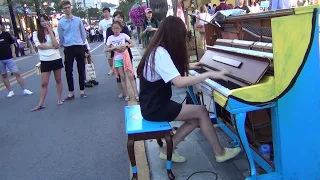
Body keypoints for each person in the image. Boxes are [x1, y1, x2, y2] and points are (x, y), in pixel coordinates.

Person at [136, 16, 241, 163]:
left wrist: (193, 66)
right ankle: (220, 152)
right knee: (201, 112)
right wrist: (208, 74)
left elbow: (167, 70)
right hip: (155, 108)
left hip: (152, 104)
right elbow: (179, 82)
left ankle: (168, 150)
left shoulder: (156, 50)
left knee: (195, 118)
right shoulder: (160, 53)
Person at [31, 14, 64, 111]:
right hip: (45, 60)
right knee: (44, 83)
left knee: (58, 79)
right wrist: (51, 47)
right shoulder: (36, 33)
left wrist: (50, 31)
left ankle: (59, 99)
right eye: (42, 21)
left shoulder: (54, 31)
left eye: (46, 20)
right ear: (39, 23)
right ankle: (41, 103)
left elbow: (57, 45)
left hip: (56, 58)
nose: (45, 23)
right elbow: (39, 46)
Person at [58, 0, 87, 100]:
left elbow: (83, 33)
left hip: (79, 46)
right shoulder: (61, 22)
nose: (67, 9)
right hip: (68, 47)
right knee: (68, 70)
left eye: (68, 7)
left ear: (71, 7)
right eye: (65, 8)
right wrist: (63, 45)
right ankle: (71, 92)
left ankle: (82, 90)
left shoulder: (78, 20)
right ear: (63, 9)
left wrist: (84, 45)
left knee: (81, 69)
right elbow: (61, 37)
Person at [105, 21, 139, 101]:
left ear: (121, 29)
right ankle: (126, 94)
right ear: (112, 29)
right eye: (114, 28)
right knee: (122, 77)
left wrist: (125, 45)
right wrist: (114, 48)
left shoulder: (123, 35)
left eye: (117, 28)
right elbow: (106, 49)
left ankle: (136, 94)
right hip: (117, 59)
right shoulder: (110, 38)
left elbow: (132, 44)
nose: (116, 30)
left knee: (130, 75)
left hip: (125, 57)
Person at [0, 22, 33, 98]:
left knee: (16, 73)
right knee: (4, 75)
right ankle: (10, 91)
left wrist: (13, 53)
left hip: (9, 57)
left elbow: (12, 44)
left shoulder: (6, 34)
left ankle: (24, 89)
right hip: (0, 60)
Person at [99, 7, 113, 75]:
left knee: (115, 55)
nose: (105, 13)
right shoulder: (101, 22)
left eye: (107, 12)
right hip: (106, 41)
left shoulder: (113, 20)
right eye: (104, 12)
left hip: (114, 40)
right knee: (109, 56)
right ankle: (111, 68)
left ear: (109, 12)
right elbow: (100, 31)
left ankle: (115, 68)